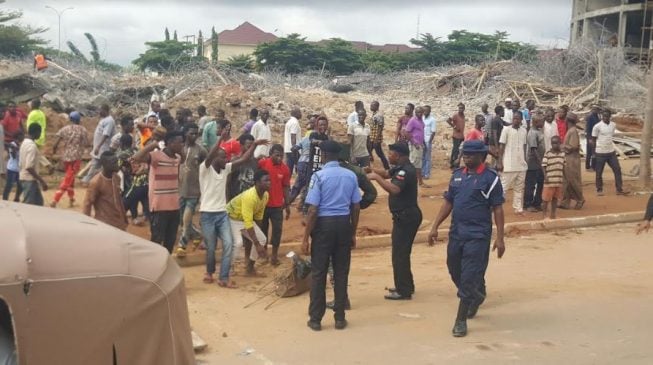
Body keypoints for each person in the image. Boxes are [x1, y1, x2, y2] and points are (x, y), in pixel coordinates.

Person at [427, 139, 505, 337]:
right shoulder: (457, 177)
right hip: (456, 233)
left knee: (469, 276)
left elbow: (498, 208)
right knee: (454, 269)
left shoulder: (491, 179)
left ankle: (461, 319)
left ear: (482, 156)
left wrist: (500, 237)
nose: (466, 157)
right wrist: (435, 226)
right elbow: (448, 202)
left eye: (471, 155)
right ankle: (476, 295)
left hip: (478, 235)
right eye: (465, 154)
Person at [302, 140, 361, 331]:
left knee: (319, 273)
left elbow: (312, 210)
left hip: (324, 227)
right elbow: (356, 206)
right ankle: (340, 317)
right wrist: (353, 232)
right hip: (344, 224)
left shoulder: (318, 176)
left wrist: (305, 237)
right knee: (341, 271)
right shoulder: (350, 175)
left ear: (325, 156)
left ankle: (316, 319)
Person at [199, 125, 267, 286]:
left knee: (230, 244)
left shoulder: (225, 170)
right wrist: (221, 139)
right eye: (223, 158)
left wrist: (255, 145)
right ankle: (209, 272)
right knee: (210, 247)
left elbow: (243, 159)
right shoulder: (205, 169)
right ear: (215, 158)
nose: (227, 160)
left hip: (222, 213)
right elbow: (209, 157)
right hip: (207, 214)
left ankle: (224, 278)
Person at [367, 142, 421, 300]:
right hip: (404, 216)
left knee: (400, 254)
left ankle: (404, 291)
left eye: (390, 154)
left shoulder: (405, 171)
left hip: (406, 217)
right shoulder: (400, 168)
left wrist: (375, 178)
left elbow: (395, 189)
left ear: (398, 155)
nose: (388, 156)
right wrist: (372, 170)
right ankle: (405, 285)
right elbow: (386, 174)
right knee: (401, 253)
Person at [133, 131, 185, 253]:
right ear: (171, 143)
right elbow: (136, 157)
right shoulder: (156, 156)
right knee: (157, 240)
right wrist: (152, 145)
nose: (182, 145)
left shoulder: (177, 158)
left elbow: (183, 157)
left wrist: (179, 150)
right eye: (179, 142)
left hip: (174, 207)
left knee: (170, 241)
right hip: (159, 207)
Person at [226, 169, 271, 276]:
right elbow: (248, 223)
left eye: (269, 180)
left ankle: (250, 267)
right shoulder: (250, 197)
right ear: (257, 182)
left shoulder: (265, 196)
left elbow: (258, 218)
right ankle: (228, 268)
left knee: (262, 239)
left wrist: (258, 239)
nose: (269, 183)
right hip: (231, 217)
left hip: (243, 219)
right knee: (238, 243)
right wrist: (257, 244)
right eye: (266, 180)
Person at [176, 123, 208, 257]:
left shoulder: (200, 151)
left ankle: (182, 245)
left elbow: (207, 167)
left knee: (186, 218)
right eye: (191, 133)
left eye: (196, 134)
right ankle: (197, 235)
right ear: (186, 134)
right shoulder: (179, 148)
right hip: (179, 190)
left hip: (194, 190)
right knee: (181, 220)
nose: (194, 136)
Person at [258, 144, 291, 265]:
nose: (279, 158)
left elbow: (286, 186)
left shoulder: (285, 169)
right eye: (277, 155)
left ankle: (274, 256)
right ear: (271, 153)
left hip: (277, 206)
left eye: (281, 156)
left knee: (277, 231)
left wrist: (287, 204)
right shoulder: (263, 164)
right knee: (263, 231)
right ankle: (263, 255)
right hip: (263, 205)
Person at [50, 111, 90, 208]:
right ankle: (55, 199)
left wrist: (54, 149)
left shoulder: (65, 129)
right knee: (69, 178)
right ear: (79, 120)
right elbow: (86, 143)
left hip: (66, 157)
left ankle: (71, 199)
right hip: (76, 157)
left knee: (70, 177)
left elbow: (57, 141)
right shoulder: (82, 130)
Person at [82, 151, 128, 230]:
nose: (117, 164)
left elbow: (119, 201)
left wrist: (124, 219)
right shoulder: (96, 182)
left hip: (119, 223)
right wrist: (87, 226)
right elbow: (87, 204)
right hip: (104, 225)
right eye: (114, 162)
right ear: (105, 165)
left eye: (116, 161)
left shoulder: (116, 177)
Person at [592, 109, 628, 196]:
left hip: (611, 152)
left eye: (607, 116)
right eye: (603, 116)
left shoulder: (613, 125)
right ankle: (599, 189)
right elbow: (593, 140)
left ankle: (619, 189)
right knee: (599, 172)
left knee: (617, 169)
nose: (605, 118)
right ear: (601, 116)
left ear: (610, 117)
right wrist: (593, 154)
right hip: (600, 152)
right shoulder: (597, 126)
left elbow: (610, 136)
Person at [498, 112, 527, 215]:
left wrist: (525, 160)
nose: (516, 120)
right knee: (503, 188)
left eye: (518, 118)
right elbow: (501, 146)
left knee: (519, 188)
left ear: (521, 120)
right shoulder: (506, 130)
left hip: (521, 165)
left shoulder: (524, 131)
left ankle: (518, 208)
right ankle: (497, 208)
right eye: (514, 118)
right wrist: (500, 161)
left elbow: (524, 146)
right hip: (508, 164)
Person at [83, 104, 116, 184]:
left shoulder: (109, 121)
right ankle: (91, 180)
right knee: (98, 165)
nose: (99, 112)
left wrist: (98, 146)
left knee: (96, 164)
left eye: (100, 110)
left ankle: (87, 181)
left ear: (105, 111)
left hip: (103, 148)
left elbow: (106, 135)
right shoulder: (104, 119)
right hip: (100, 147)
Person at [559, 113, 585, 210]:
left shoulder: (573, 131)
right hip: (568, 159)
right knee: (566, 181)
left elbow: (573, 147)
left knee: (573, 180)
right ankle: (565, 201)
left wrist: (561, 146)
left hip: (572, 160)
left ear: (568, 121)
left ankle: (580, 199)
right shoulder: (570, 130)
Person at [19, 123, 48, 206]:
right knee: (28, 204)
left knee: (38, 203)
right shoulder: (31, 146)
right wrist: (42, 181)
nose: (40, 135)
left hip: (28, 178)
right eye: (40, 132)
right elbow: (29, 167)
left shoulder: (24, 143)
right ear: (36, 132)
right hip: (29, 179)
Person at [524, 114, 545, 212]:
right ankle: (528, 204)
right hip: (533, 163)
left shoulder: (539, 131)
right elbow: (534, 149)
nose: (543, 123)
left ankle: (537, 202)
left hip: (539, 162)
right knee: (531, 184)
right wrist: (540, 162)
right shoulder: (532, 133)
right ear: (536, 122)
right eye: (542, 122)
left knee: (540, 183)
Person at [227, 134, 258, 200]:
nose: (251, 150)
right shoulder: (234, 161)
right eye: (249, 147)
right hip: (235, 200)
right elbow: (227, 183)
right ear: (241, 146)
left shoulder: (255, 161)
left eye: (253, 147)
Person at [541, 136, 565, 219]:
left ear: (560, 143)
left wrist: (564, 178)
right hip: (549, 181)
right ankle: (544, 215)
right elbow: (543, 166)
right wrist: (545, 177)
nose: (555, 145)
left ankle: (553, 214)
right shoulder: (547, 154)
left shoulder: (562, 154)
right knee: (546, 199)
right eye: (553, 143)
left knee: (555, 199)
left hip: (558, 181)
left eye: (557, 143)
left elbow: (564, 167)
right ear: (551, 144)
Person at [403, 106, 427, 187]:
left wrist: (423, 143)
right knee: (414, 163)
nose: (419, 114)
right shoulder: (413, 120)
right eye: (417, 112)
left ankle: (419, 182)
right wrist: (414, 143)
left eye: (420, 112)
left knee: (418, 163)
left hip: (420, 144)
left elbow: (421, 132)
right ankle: (417, 182)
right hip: (415, 145)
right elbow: (406, 132)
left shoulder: (421, 120)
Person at [25, 99, 52, 172]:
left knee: (34, 153)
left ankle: (47, 165)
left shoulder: (32, 114)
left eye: (31, 104)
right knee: (36, 152)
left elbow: (30, 126)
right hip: (41, 136)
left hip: (34, 136)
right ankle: (46, 166)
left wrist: (28, 136)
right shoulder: (41, 113)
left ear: (33, 105)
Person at [368, 101, 390, 170]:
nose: (371, 106)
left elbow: (380, 127)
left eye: (373, 105)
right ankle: (368, 166)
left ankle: (387, 168)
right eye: (371, 105)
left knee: (380, 154)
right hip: (372, 138)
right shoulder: (374, 114)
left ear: (377, 107)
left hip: (375, 139)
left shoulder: (378, 115)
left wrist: (376, 139)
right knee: (368, 152)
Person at [2, 132, 23, 201]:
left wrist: (18, 148)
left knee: (20, 185)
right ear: (15, 138)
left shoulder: (21, 145)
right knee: (9, 185)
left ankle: (16, 198)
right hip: (12, 168)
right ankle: (5, 199)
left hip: (19, 169)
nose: (20, 139)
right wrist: (15, 149)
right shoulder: (12, 145)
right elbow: (13, 156)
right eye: (19, 138)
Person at [447, 103, 466, 169]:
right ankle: (454, 165)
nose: (461, 109)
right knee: (456, 151)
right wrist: (454, 127)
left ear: (464, 109)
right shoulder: (456, 115)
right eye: (460, 108)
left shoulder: (463, 115)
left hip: (461, 136)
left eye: (462, 108)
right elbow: (448, 120)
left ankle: (453, 164)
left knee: (457, 150)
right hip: (456, 136)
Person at [284, 108, 302, 174]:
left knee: (289, 171)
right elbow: (293, 137)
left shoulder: (289, 122)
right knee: (298, 171)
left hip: (288, 150)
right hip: (294, 151)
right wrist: (295, 152)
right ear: (295, 113)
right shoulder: (294, 122)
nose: (301, 114)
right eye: (299, 112)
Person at [422, 105, 436, 179]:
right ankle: (422, 172)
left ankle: (427, 174)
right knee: (422, 157)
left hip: (427, 141)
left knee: (427, 158)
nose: (425, 112)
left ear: (430, 111)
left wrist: (429, 142)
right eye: (424, 110)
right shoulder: (422, 118)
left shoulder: (432, 120)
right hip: (422, 141)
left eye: (426, 110)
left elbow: (433, 132)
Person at [584, 105, 600, 171]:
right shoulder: (590, 117)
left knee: (593, 152)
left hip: (594, 136)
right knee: (591, 152)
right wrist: (589, 138)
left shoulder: (596, 116)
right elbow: (588, 128)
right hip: (590, 137)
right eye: (594, 109)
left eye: (596, 109)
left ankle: (593, 166)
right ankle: (589, 166)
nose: (595, 110)